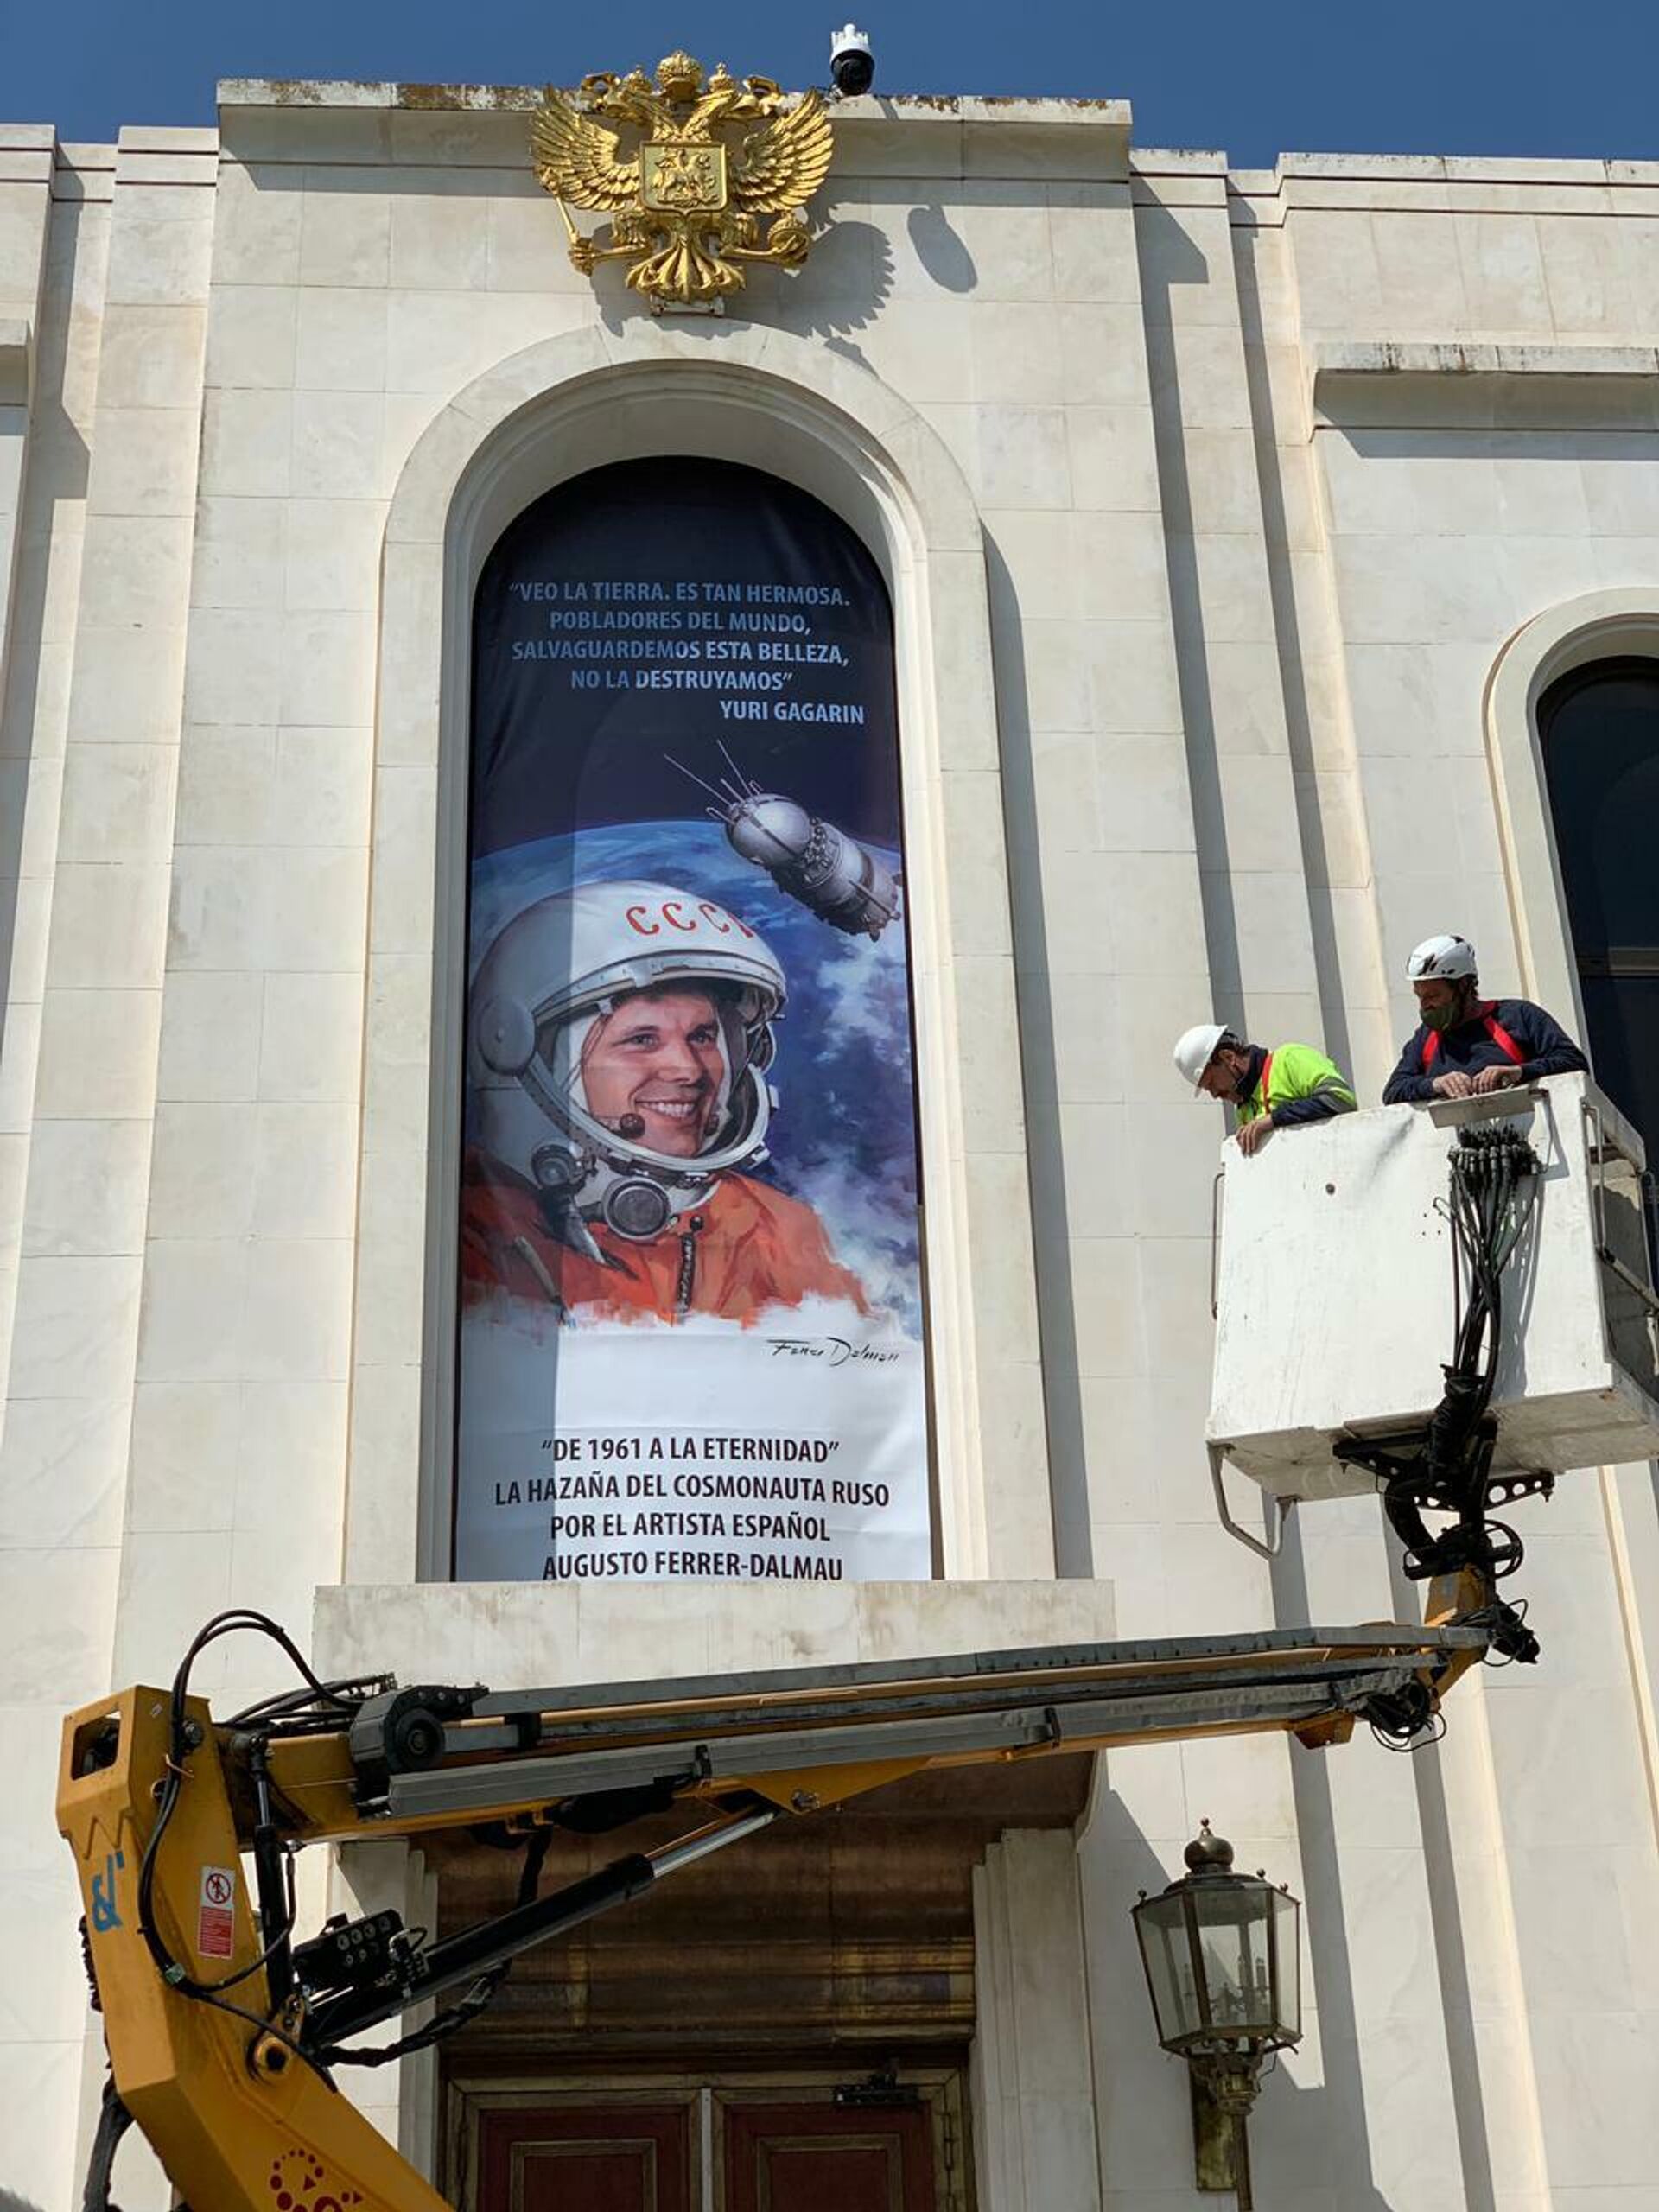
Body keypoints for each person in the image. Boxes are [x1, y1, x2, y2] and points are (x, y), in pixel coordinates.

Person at [461, 878, 868, 1323]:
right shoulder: (466, 1232)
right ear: (528, 1058)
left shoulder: (777, 1231)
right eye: (642, 1038)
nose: (689, 1070)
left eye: (703, 1036)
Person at [1382, 934, 1587, 1104]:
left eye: (1434, 996)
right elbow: (1393, 1091)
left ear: (1464, 986)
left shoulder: (1519, 1016)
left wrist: (1518, 1073)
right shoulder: (1426, 1037)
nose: (1425, 1005)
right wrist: (1435, 1084)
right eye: (1420, 996)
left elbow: (1574, 1062)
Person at [1173, 1022, 1357, 1154]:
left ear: (1228, 1057)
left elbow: (1340, 1100)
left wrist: (1272, 1120)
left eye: (1212, 1082)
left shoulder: (1289, 1060)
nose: (1214, 1094)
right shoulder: (1245, 1110)